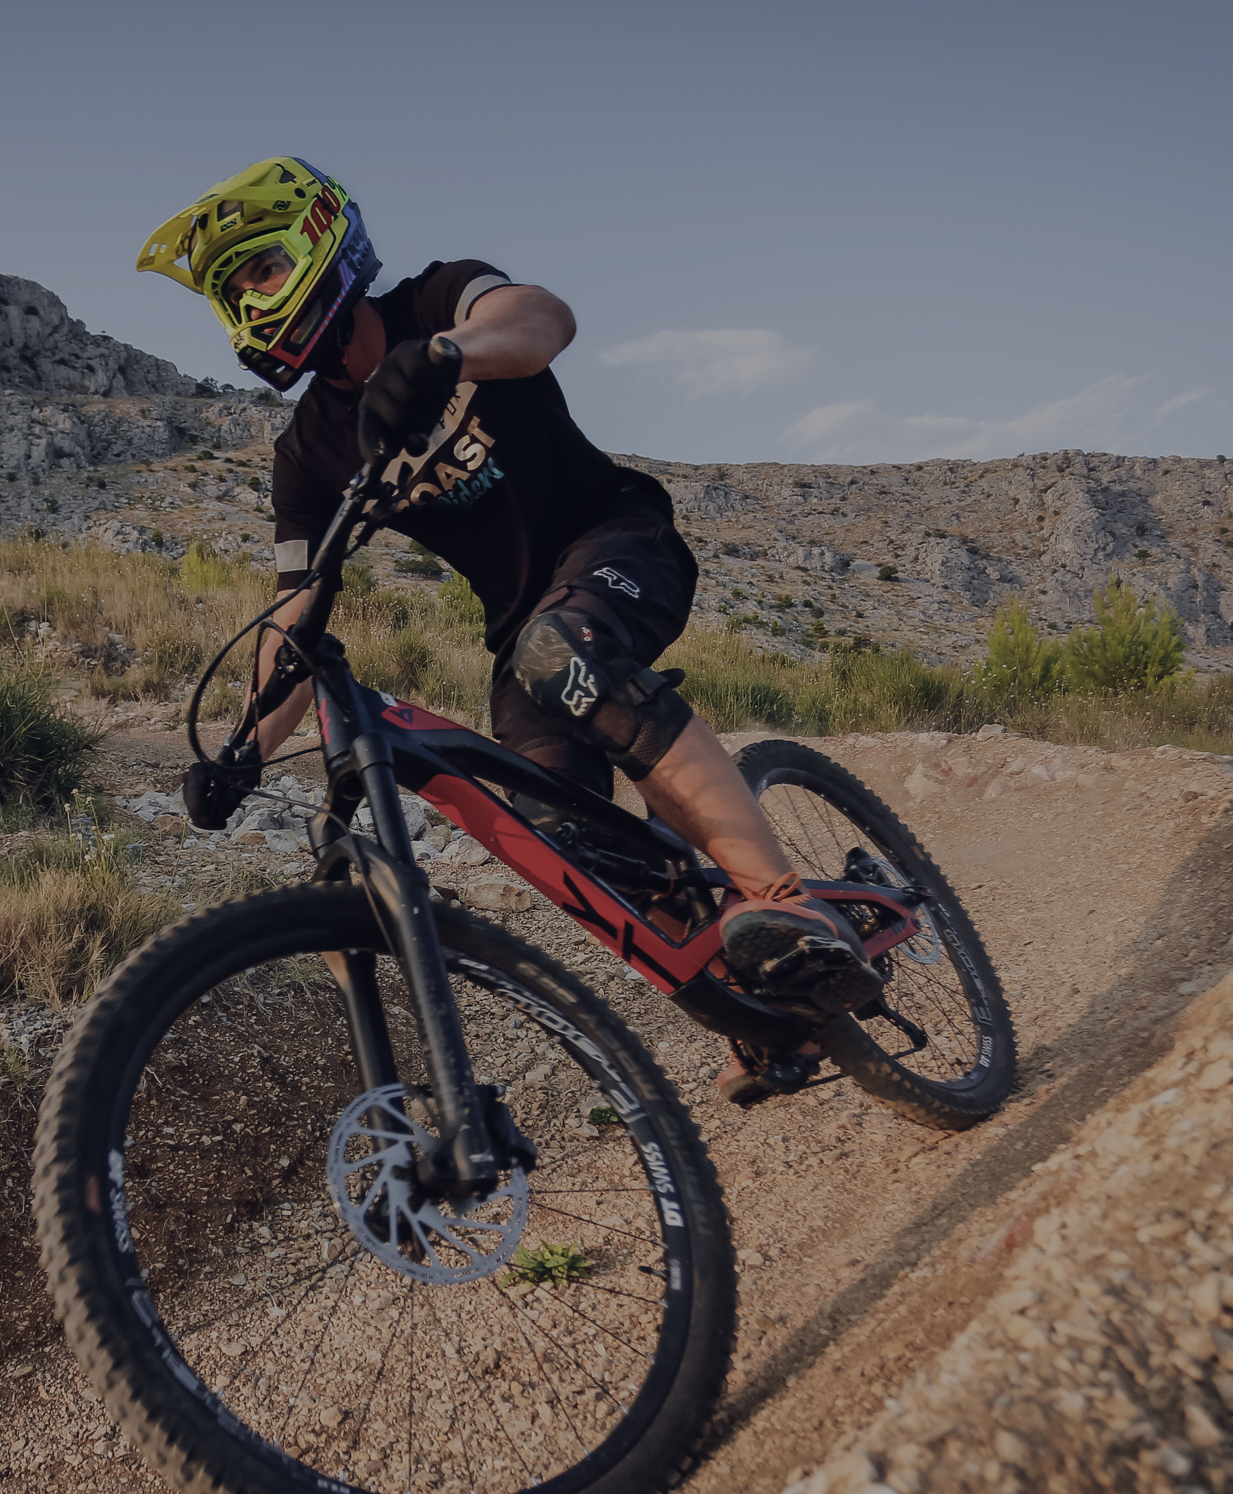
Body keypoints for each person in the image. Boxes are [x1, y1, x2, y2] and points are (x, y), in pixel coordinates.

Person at [137, 157, 877, 1097]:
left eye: (265, 269)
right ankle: (762, 1008)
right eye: (235, 291)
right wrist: (241, 747)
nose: (253, 299)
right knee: (557, 835)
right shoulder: (309, 452)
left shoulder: (439, 300)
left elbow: (543, 322)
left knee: (561, 653)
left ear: (321, 241)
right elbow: (298, 608)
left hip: (617, 539)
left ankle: (787, 903)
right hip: (520, 633)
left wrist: (449, 355)